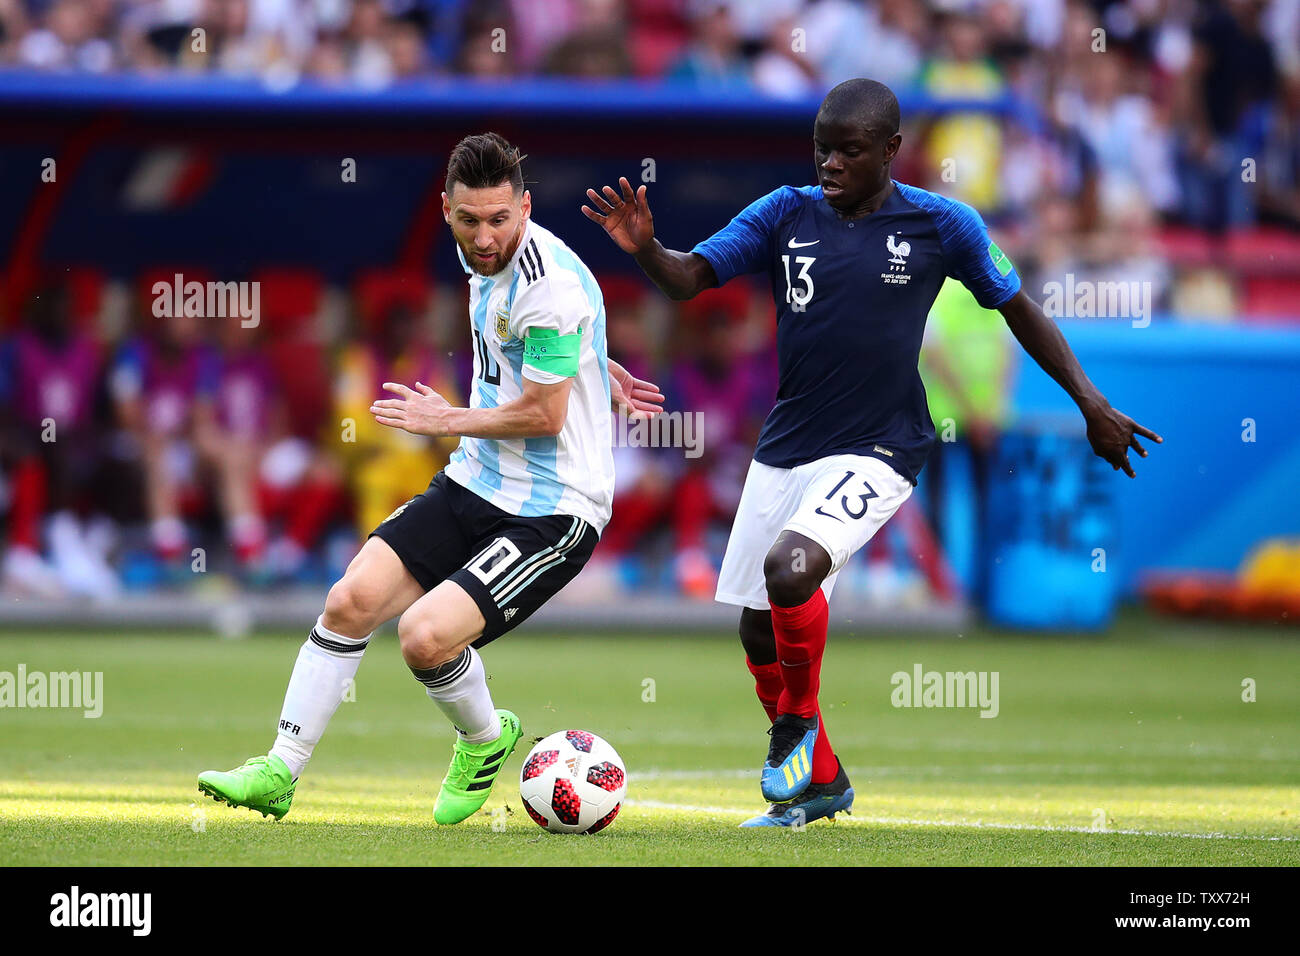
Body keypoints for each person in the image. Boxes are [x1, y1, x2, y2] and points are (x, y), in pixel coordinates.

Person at [582, 78, 1161, 828]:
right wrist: (648, 249)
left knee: (791, 570)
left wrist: (1090, 403)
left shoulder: (943, 224)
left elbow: (1020, 310)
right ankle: (822, 782)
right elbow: (693, 276)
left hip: (882, 445)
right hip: (787, 445)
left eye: (849, 152)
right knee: (757, 624)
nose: (830, 164)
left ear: (890, 151)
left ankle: (793, 728)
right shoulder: (784, 212)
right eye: (822, 148)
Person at [198, 132, 662, 825]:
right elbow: (542, 345)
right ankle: (279, 771)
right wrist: (595, 361)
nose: (483, 236)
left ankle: (483, 738)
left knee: (423, 637)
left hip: (555, 508)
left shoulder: (549, 287)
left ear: (526, 208)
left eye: (500, 219)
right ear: (446, 209)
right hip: (478, 479)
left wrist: (445, 417)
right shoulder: (483, 253)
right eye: (469, 219)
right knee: (350, 600)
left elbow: (542, 412)